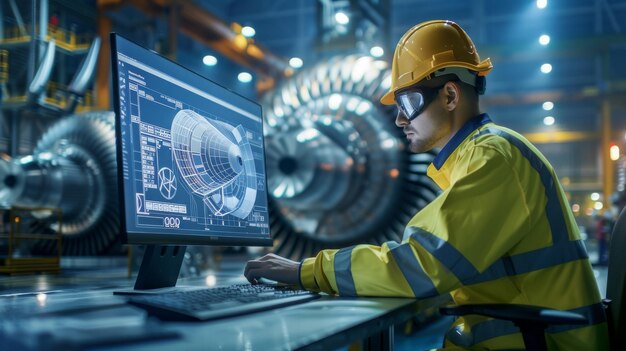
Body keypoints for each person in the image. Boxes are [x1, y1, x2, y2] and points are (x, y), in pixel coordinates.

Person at [244, 20, 608, 350]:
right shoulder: (477, 158)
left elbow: (422, 265)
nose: (400, 118)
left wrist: (306, 271)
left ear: (450, 96)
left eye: (408, 102)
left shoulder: (493, 158)